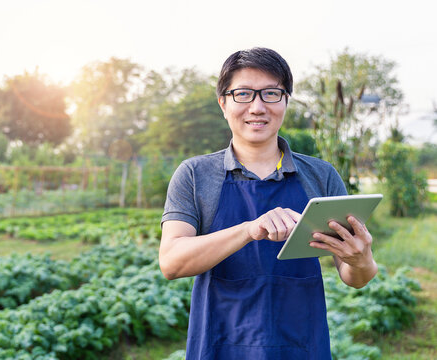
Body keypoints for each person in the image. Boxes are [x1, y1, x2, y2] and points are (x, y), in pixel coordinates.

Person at [159, 47, 378, 359]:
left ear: (286, 101)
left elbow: (355, 277)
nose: (258, 107)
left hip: (301, 345)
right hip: (218, 345)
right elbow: (171, 262)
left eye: (271, 94)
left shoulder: (321, 176)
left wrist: (361, 259)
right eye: (244, 94)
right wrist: (250, 229)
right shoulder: (195, 175)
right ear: (223, 103)